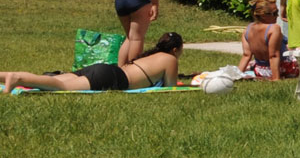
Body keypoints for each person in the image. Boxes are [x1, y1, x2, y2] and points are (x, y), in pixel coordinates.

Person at [4, 33, 185, 94]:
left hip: (105, 70)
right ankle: (17, 77)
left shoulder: (150, 55)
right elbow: (169, 87)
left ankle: (5, 76)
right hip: (111, 78)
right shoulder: (170, 59)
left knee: (61, 80)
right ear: (175, 49)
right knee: (61, 86)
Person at [239, 0, 284, 80]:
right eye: (274, 13)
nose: (277, 16)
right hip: (279, 69)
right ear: (263, 15)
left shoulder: (248, 29)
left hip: (259, 70)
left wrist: (237, 75)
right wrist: (276, 79)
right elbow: (273, 55)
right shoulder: (274, 28)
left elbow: (246, 55)